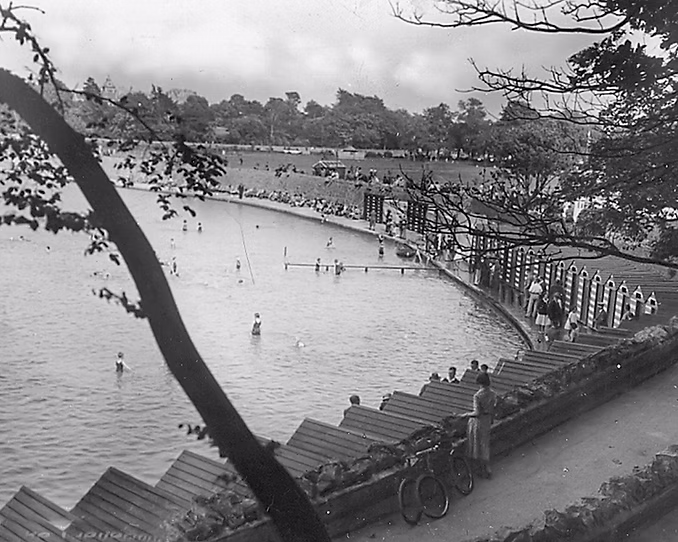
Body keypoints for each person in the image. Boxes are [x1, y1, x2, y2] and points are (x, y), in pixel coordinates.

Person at [460, 372, 496, 479]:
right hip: (487, 420)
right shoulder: (493, 393)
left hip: (479, 421)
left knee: (477, 446)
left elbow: (476, 413)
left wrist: (465, 414)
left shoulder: (477, 396)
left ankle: (481, 469)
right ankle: (488, 468)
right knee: (485, 444)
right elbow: (493, 409)